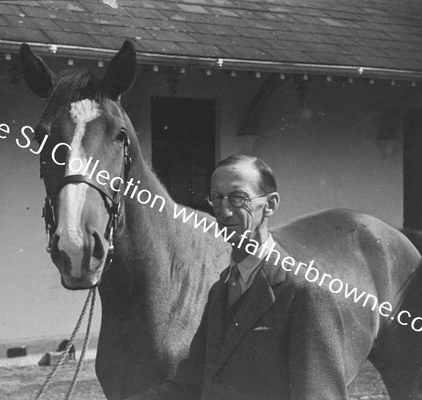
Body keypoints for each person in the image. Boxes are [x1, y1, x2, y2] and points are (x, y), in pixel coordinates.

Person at [126, 155, 351, 400]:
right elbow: (188, 387)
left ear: (271, 204)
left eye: (238, 197)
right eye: (216, 198)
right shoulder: (220, 291)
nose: (223, 211)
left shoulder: (306, 295)